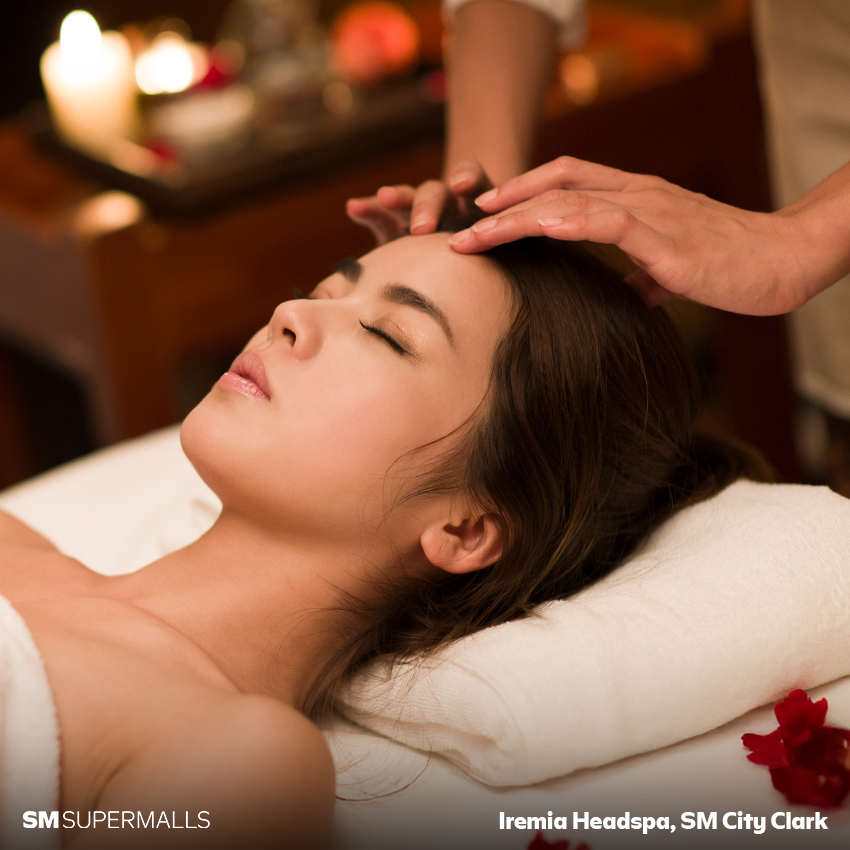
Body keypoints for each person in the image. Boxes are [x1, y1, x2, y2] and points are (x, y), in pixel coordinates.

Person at [0, 221, 767, 848]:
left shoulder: (240, 759)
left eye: (386, 333)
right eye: (322, 292)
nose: (289, 314)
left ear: (466, 527)